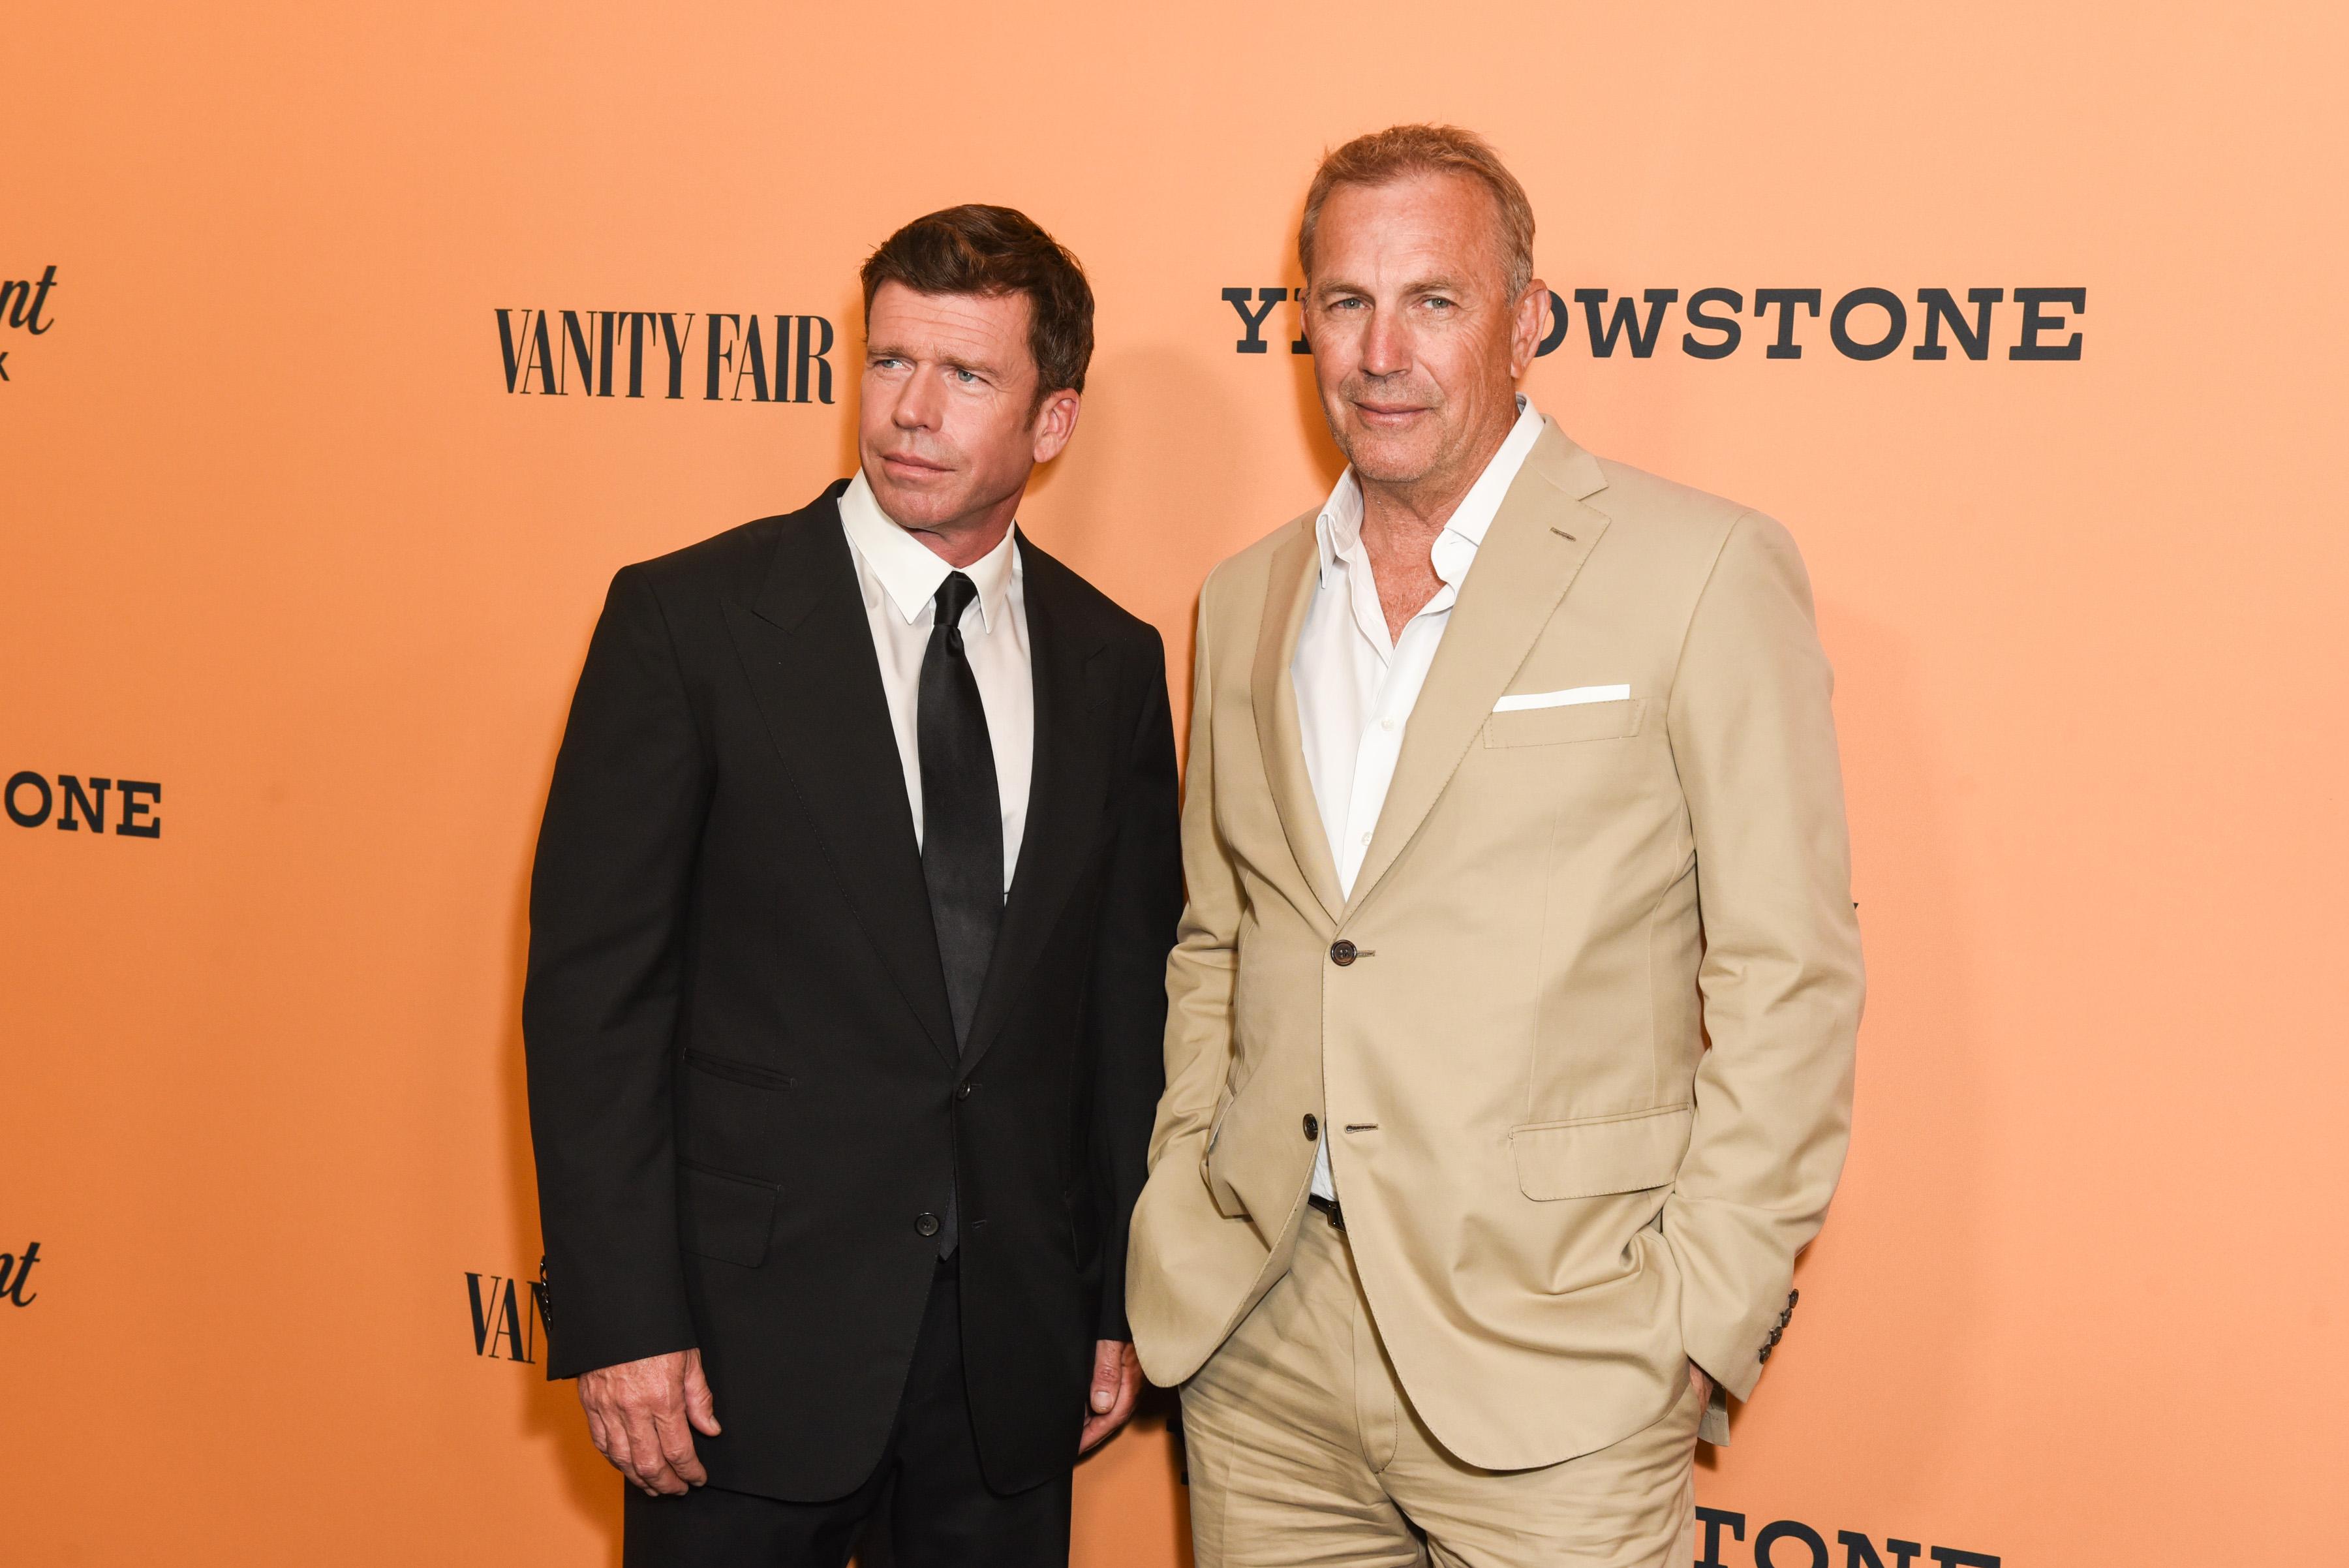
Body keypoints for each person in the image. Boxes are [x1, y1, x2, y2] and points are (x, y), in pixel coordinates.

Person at [1126, 125, 1865, 1567]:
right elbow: (1220, 935)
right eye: (1346, 302)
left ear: (1530, 320)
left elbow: (1791, 966)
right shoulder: (1247, 597)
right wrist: (1185, 1185)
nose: (1381, 350)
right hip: (1267, 1341)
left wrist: (1704, 1311)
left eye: (1434, 301)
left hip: (1562, 1350)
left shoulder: (1698, 567)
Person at [524, 204, 1182, 1567]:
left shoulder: (1109, 662)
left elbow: (1123, 1010)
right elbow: (596, 1001)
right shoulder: (689, 623)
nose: (910, 411)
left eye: (967, 376)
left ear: (1053, 422)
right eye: (889, 363)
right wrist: (626, 1319)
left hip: (1007, 1367)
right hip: (732, 1364)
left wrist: (1117, 1292)